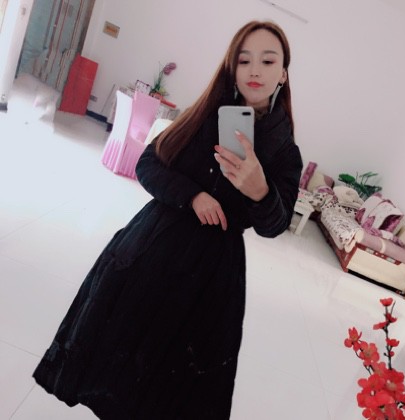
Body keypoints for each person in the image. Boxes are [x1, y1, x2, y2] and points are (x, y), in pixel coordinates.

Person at [33, 20, 303, 419]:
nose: (255, 70)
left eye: (268, 60)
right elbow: (147, 165)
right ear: (232, 67)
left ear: (283, 73)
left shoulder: (284, 152)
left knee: (170, 384)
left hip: (210, 276)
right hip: (151, 249)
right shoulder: (203, 117)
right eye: (244, 60)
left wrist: (260, 190)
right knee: (116, 363)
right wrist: (192, 196)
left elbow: (274, 225)